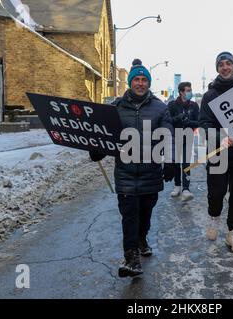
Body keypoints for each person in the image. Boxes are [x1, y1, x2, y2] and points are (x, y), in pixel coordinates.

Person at [89, 59, 175, 278]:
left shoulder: (160, 108)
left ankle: (142, 239)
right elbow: (103, 134)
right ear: (129, 82)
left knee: (145, 215)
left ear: (149, 83)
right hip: (125, 173)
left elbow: (169, 137)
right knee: (129, 217)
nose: (140, 83)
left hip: (150, 172)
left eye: (144, 79)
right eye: (136, 79)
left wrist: (172, 162)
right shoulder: (115, 108)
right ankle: (131, 258)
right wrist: (97, 149)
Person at [199, 52, 233, 255]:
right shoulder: (210, 95)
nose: (225, 67)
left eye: (228, 63)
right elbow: (203, 124)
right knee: (216, 192)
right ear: (217, 69)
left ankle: (232, 233)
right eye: (221, 64)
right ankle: (214, 218)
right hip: (218, 152)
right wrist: (220, 137)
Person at [168, 82, 200, 202]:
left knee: (186, 164)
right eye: (187, 90)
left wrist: (188, 123)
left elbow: (199, 122)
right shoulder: (172, 105)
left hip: (188, 137)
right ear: (181, 92)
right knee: (176, 163)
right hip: (175, 138)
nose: (189, 92)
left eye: (190, 90)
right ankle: (177, 186)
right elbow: (167, 121)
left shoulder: (194, 106)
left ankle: (186, 188)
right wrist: (178, 118)